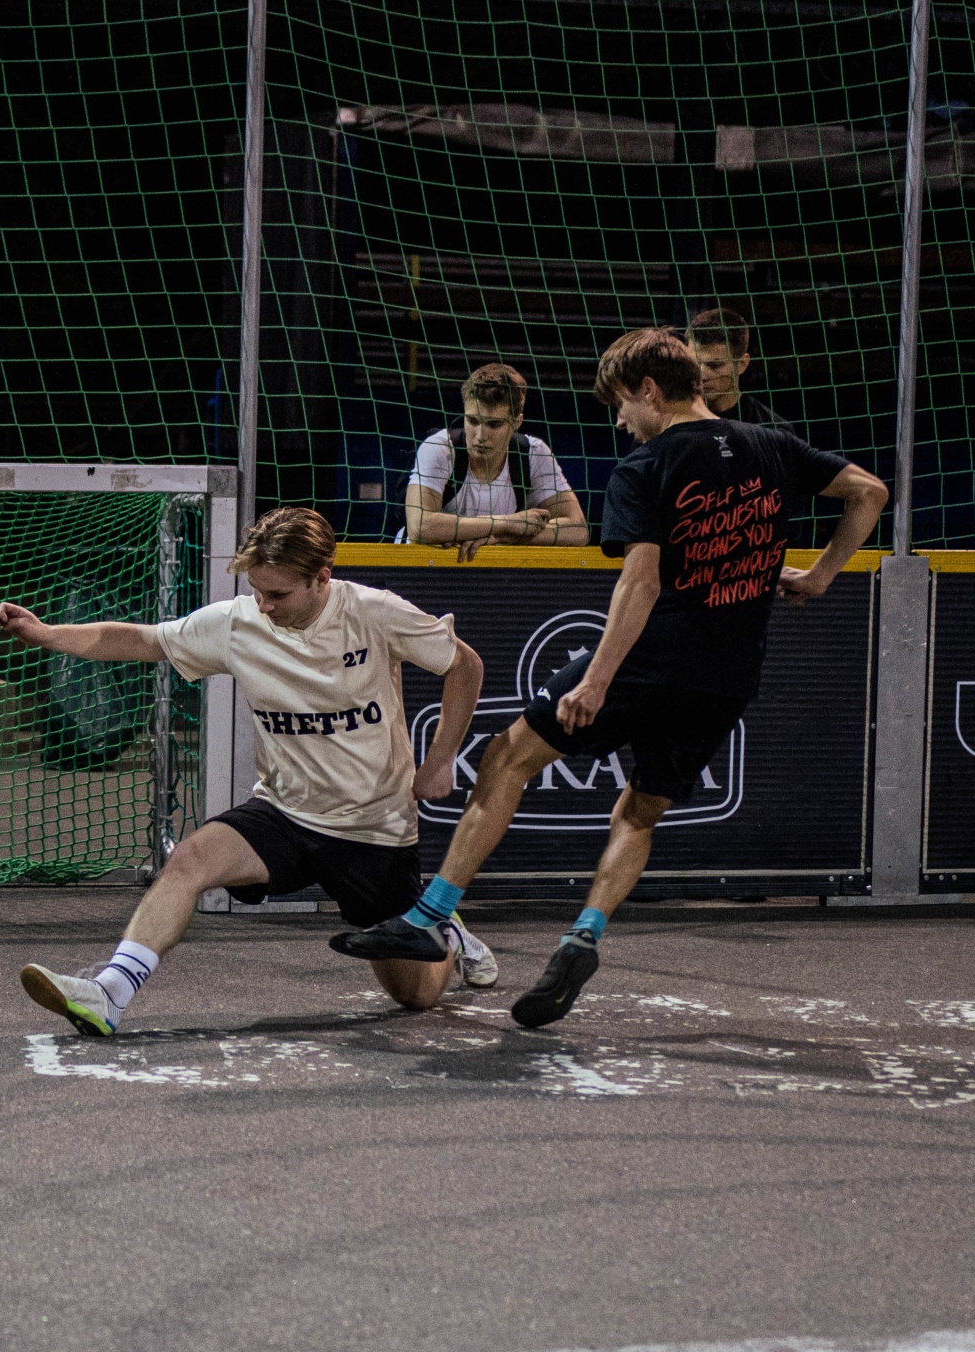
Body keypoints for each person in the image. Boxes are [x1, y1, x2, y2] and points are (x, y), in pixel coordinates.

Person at [334, 328, 888, 1027]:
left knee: (505, 758)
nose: (620, 421)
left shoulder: (646, 465)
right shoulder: (772, 446)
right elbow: (869, 491)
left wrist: (596, 681)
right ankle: (584, 935)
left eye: (622, 404)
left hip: (648, 660)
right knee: (639, 811)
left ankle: (429, 917)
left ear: (649, 390)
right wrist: (823, 575)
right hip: (730, 673)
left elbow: (642, 581)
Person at [0, 506, 496, 1037]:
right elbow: (145, 640)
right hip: (284, 813)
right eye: (257, 590)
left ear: (322, 578)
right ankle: (110, 993)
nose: (264, 605)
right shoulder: (239, 623)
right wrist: (47, 634)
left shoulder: (374, 613)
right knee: (189, 859)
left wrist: (440, 761)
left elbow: (465, 664)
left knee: (416, 996)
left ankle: (443, 926)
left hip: (375, 829)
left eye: (278, 594)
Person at [403, 362, 588, 559]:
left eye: (494, 424)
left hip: (492, 570)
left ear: (516, 422)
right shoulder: (440, 448)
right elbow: (419, 526)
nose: (480, 436)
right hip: (420, 566)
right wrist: (508, 523)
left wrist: (505, 537)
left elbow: (578, 530)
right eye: (472, 421)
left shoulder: (533, 453)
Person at [688, 307, 787, 428]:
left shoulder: (772, 428)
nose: (701, 375)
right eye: (693, 363)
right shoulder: (670, 422)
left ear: (742, 364)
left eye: (714, 365)